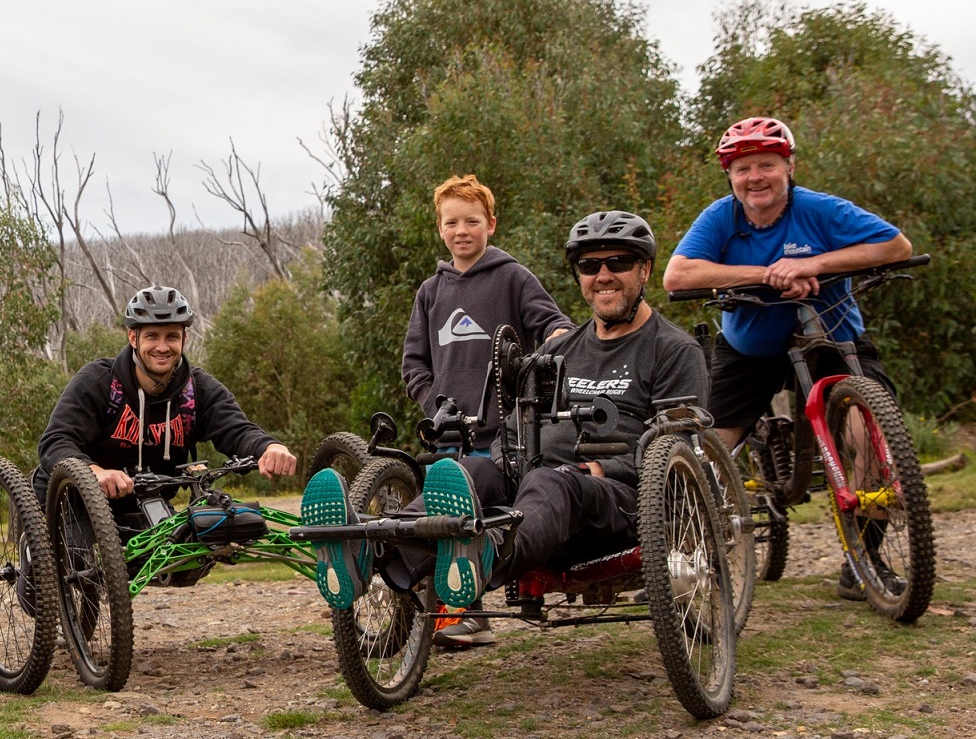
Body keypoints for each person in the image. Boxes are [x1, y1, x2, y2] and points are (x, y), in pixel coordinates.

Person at [304, 211, 708, 617]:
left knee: (556, 481)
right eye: (589, 266)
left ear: (645, 269)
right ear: (579, 277)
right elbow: (513, 426)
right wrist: (501, 466)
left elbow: (679, 446)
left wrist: (603, 469)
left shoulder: (673, 350)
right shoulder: (559, 351)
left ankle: (485, 553)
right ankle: (369, 552)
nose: (603, 275)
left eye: (617, 263)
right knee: (474, 473)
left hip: (616, 501)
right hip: (535, 495)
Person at [661, 116, 912, 600]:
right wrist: (770, 273)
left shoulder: (820, 210)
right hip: (750, 346)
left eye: (767, 165)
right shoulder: (720, 217)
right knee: (709, 440)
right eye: (743, 168)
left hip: (832, 338)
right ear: (730, 177)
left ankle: (865, 561)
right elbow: (678, 275)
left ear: (789, 167)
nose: (755, 177)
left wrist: (813, 264)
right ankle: (686, 556)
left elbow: (895, 245)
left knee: (867, 424)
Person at [402, 175, 574, 648]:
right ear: (439, 229)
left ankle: (472, 615)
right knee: (446, 515)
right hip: (449, 431)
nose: (462, 230)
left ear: (490, 224)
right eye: (451, 222)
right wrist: (433, 403)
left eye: (472, 221)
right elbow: (413, 362)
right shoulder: (430, 292)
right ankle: (431, 609)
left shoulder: (513, 277)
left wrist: (559, 335)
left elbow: (552, 322)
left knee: (480, 515)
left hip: (507, 431)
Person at [35, 286, 298, 536]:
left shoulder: (197, 389)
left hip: (143, 504)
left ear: (185, 338)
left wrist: (269, 448)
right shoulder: (99, 382)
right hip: (70, 499)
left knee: (190, 550)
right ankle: (31, 567)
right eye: (152, 336)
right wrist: (96, 472)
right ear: (133, 338)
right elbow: (55, 441)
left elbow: (236, 428)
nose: (162, 347)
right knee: (83, 570)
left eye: (172, 336)